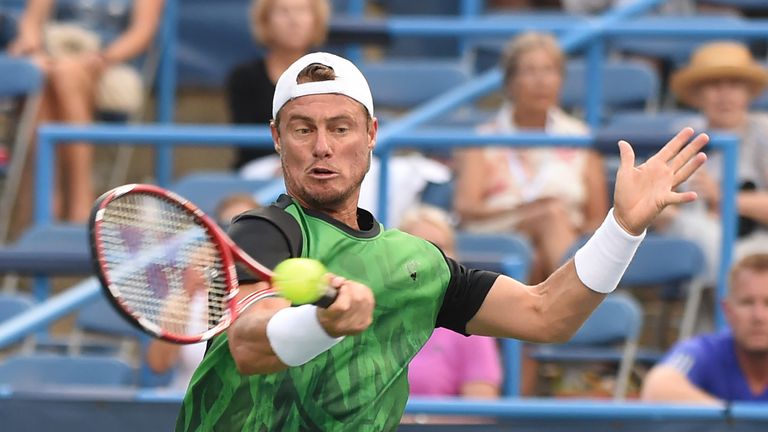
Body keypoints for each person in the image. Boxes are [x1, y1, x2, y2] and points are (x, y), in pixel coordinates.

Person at [175, 51, 708, 430]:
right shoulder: (263, 232)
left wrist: (622, 227)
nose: (322, 147)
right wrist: (322, 322)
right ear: (276, 138)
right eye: (302, 128)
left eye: (340, 128)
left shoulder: (417, 265)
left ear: (372, 135)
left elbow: (548, 315)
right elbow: (248, 343)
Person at [454, 32, 608, 283]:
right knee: (549, 215)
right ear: (510, 82)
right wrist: (527, 210)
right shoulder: (482, 139)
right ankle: (581, 301)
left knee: (543, 241)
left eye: (549, 70)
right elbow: (466, 208)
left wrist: (567, 228)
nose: (541, 81)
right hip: (501, 230)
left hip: (567, 236)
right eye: (529, 71)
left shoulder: (581, 137)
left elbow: (596, 218)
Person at [7, 0, 164, 223]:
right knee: (43, 78)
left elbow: (142, 32)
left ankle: (66, 204)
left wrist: (103, 58)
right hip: (54, 58)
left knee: (66, 75)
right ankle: (58, 205)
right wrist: (34, 50)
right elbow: (32, 22)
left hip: (110, 63)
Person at [660, 41, 768, 283]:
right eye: (714, 85)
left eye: (734, 85)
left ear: (748, 92)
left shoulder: (764, 132)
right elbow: (659, 204)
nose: (725, 94)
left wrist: (721, 196)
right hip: (697, 240)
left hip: (758, 244)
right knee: (704, 234)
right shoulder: (682, 133)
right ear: (698, 94)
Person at [146, 193, 260, 390]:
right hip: (186, 407)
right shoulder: (188, 295)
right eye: (229, 227)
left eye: (247, 228)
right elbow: (158, 365)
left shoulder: (268, 294)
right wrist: (188, 290)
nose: (237, 238)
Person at [398, 206, 502, 399]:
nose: (430, 256)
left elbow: (479, 410)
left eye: (439, 246)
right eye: (418, 245)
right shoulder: (374, 314)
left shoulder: (474, 328)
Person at [641, 253, 768, 403]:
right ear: (727, 310)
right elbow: (656, 388)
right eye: (747, 303)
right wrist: (731, 419)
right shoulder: (705, 350)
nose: (758, 316)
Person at [227, 0, 331, 170]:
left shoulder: (332, 72)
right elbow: (246, 145)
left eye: (302, 11)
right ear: (266, 21)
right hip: (263, 167)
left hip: (323, 158)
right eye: (284, 12)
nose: (294, 20)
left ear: (316, 20)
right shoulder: (244, 76)